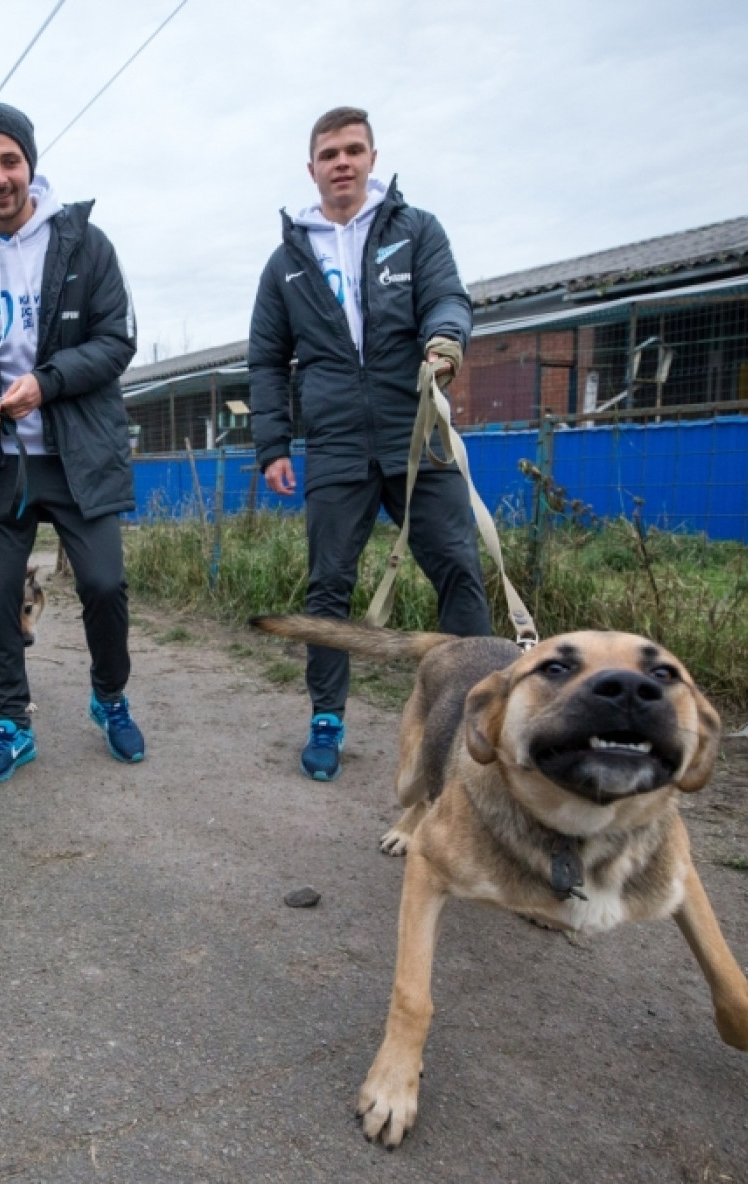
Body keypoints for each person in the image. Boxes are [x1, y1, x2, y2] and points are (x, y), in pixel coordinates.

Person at [248, 106, 485, 782]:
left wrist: (445, 340)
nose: (342, 162)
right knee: (328, 586)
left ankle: (473, 718)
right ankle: (327, 718)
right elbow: (266, 359)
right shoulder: (288, 261)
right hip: (336, 446)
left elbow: (449, 299)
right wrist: (274, 445)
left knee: (459, 572)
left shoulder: (415, 232)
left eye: (354, 150)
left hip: (417, 436)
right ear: (312, 168)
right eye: (329, 153)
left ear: (373, 158)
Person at [0, 102, 143, 786]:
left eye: (8, 160)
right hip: (0, 460)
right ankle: (12, 723)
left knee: (104, 586)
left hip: (80, 455)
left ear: (30, 164)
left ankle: (109, 698)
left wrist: (45, 383)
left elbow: (117, 340)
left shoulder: (85, 242)